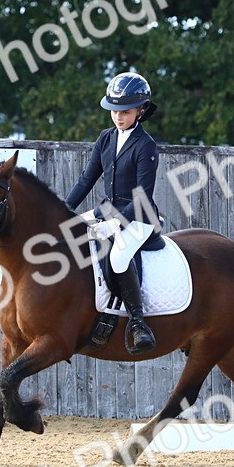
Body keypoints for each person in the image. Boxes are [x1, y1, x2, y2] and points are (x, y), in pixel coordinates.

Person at [65, 71, 165, 354]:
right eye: (114, 111)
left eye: (125, 112)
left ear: (141, 110)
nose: (118, 117)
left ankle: (137, 322)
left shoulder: (145, 145)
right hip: (107, 209)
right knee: (68, 235)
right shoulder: (106, 138)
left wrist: (115, 224)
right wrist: (64, 210)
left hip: (140, 216)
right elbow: (86, 179)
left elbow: (143, 195)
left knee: (119, 256)